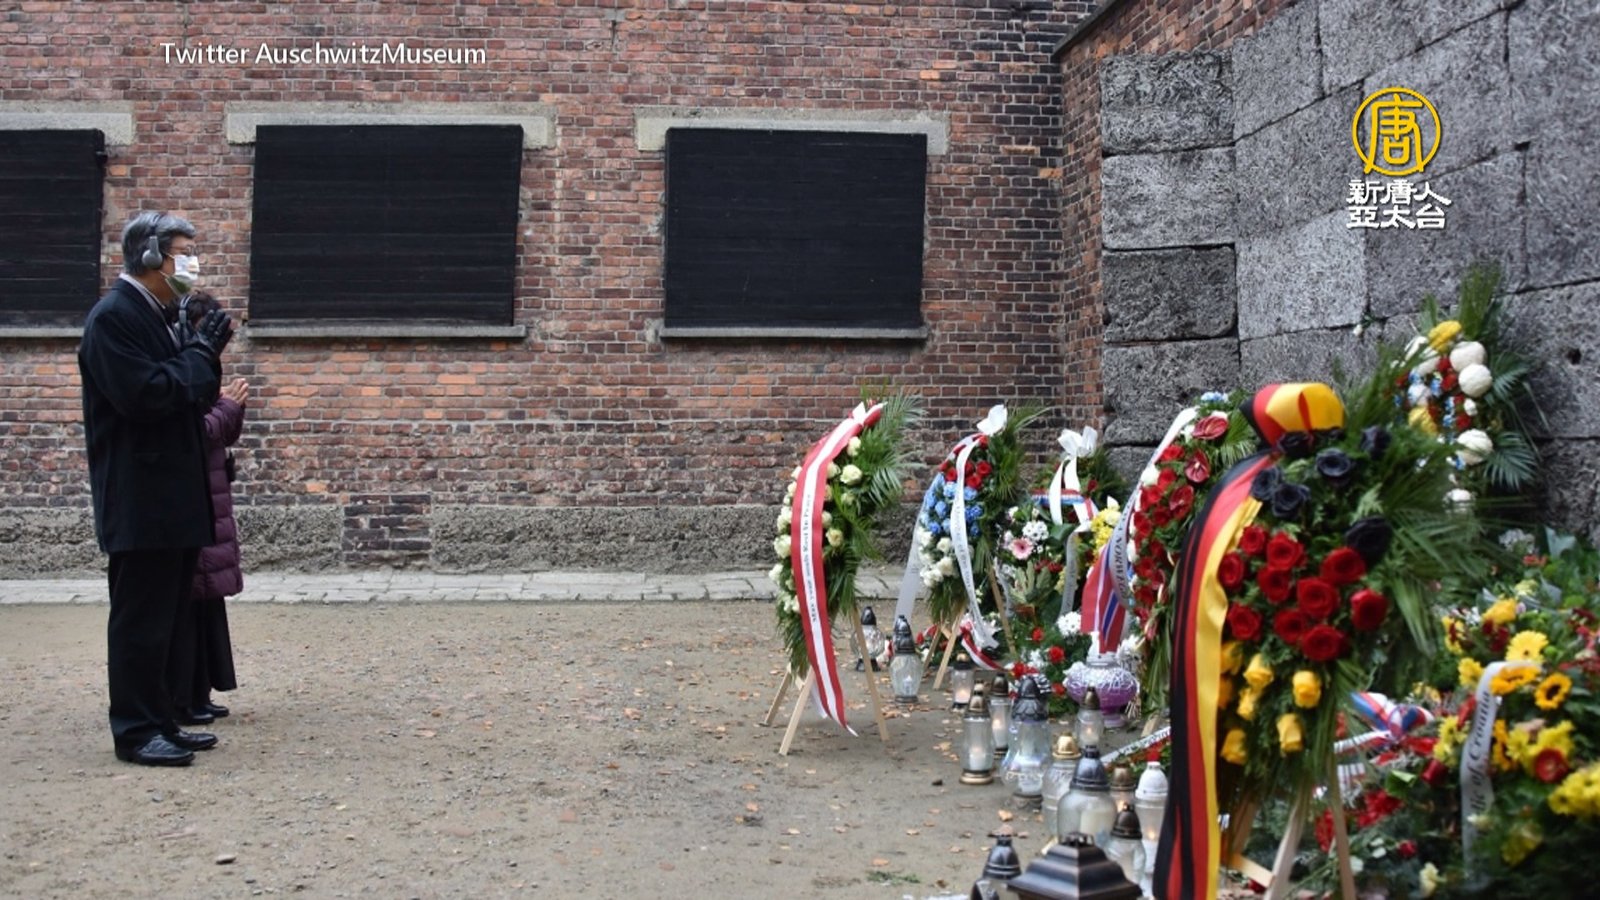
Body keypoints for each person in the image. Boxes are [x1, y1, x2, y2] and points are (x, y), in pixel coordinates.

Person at [78, 211, 235, 766]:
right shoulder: (114, 319)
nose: (191, 262)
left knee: (167, 619)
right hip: (141, 497)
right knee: (140, 620)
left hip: (173, 495)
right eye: (182, 252)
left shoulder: (159, 315)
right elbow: (146, 395)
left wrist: (200, 356)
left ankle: (162, 717)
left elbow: (194, 393)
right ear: (150, 256)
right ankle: (137, 730)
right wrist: (199, 356)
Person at [170, 291, 248, 726]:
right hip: (194, 497)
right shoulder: (179, 371)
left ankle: (199, 692)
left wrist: (232, 409)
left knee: (206, 604)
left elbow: (221, 434)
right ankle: (183, 697)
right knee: (189, 605)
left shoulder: (200, 370)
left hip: (211, 496)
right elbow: (193, 433)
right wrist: (226, 407)